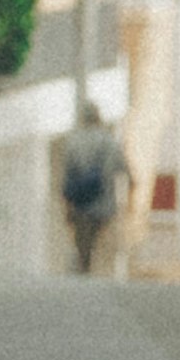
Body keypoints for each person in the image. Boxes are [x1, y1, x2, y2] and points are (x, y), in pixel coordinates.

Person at [59, 103, 128, 274]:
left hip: (81, 204)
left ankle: (84, 276)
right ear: (99, 117)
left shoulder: (74, 142)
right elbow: (123, 170)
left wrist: (67, 206)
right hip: (104, 204)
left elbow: (68, 175)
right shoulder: (109, 141)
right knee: (103, 247)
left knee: (84, 247)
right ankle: (101, 280)